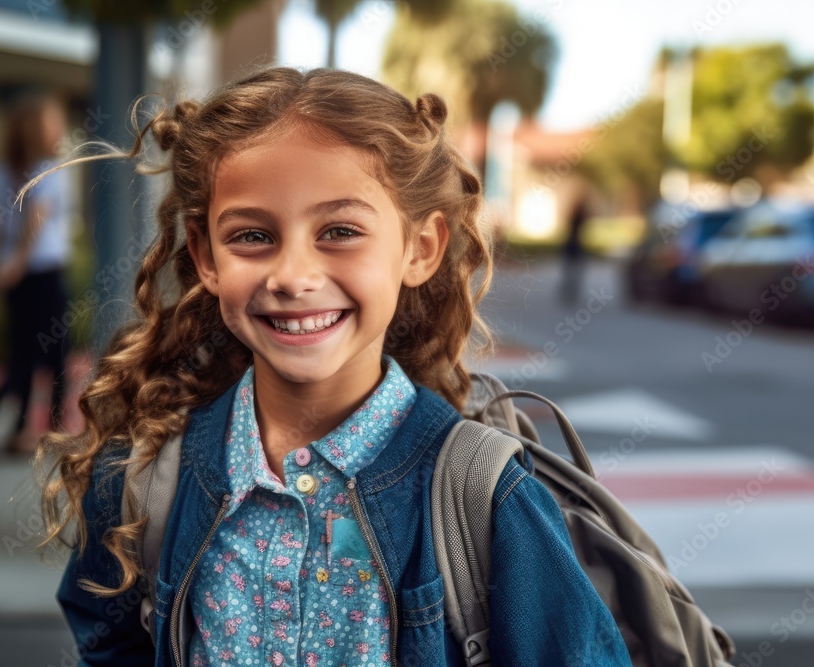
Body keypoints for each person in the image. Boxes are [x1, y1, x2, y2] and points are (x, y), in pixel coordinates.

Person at [37, 68, 632, 666]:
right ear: (205, 256)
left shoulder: (485, 496)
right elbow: (108, 640)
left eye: (340, 231)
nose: (292, 276)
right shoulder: (144, 478)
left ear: (419, 248)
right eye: (251, 235)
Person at [0, 94, 73, 463]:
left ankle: (13, 433)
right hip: (41, 273)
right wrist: (19, 263)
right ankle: (44, 432)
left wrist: (2, 266)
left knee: (21, 357)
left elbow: (0, 229)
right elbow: (36, 220)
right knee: (54, 356)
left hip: (13, 274)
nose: (60, 128)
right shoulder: (50, 169)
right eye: (54, 121)